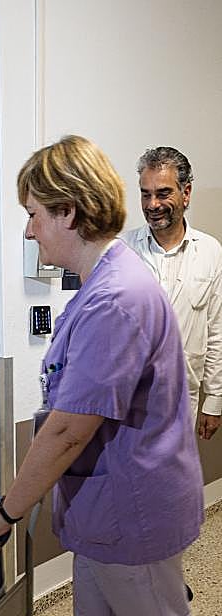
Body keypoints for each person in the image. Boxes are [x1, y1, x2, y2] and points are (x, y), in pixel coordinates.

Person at [0, 136, 222, 616]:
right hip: (106, 510)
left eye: (33, 213)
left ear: (69, 212)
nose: (27, 228)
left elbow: (67, 431)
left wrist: (6, 511)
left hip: (130, 512)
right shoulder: (106, 281)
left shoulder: (114, 298)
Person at [120, 147, 222, 440]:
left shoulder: (211, 252)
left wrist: (214, 401)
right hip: (127, 405)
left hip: (183, 403)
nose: (152, 204)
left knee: (173, 483)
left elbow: (216, 330)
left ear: (186, 193)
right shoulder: (121, 251)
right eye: (145, 193)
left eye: (163, 193)